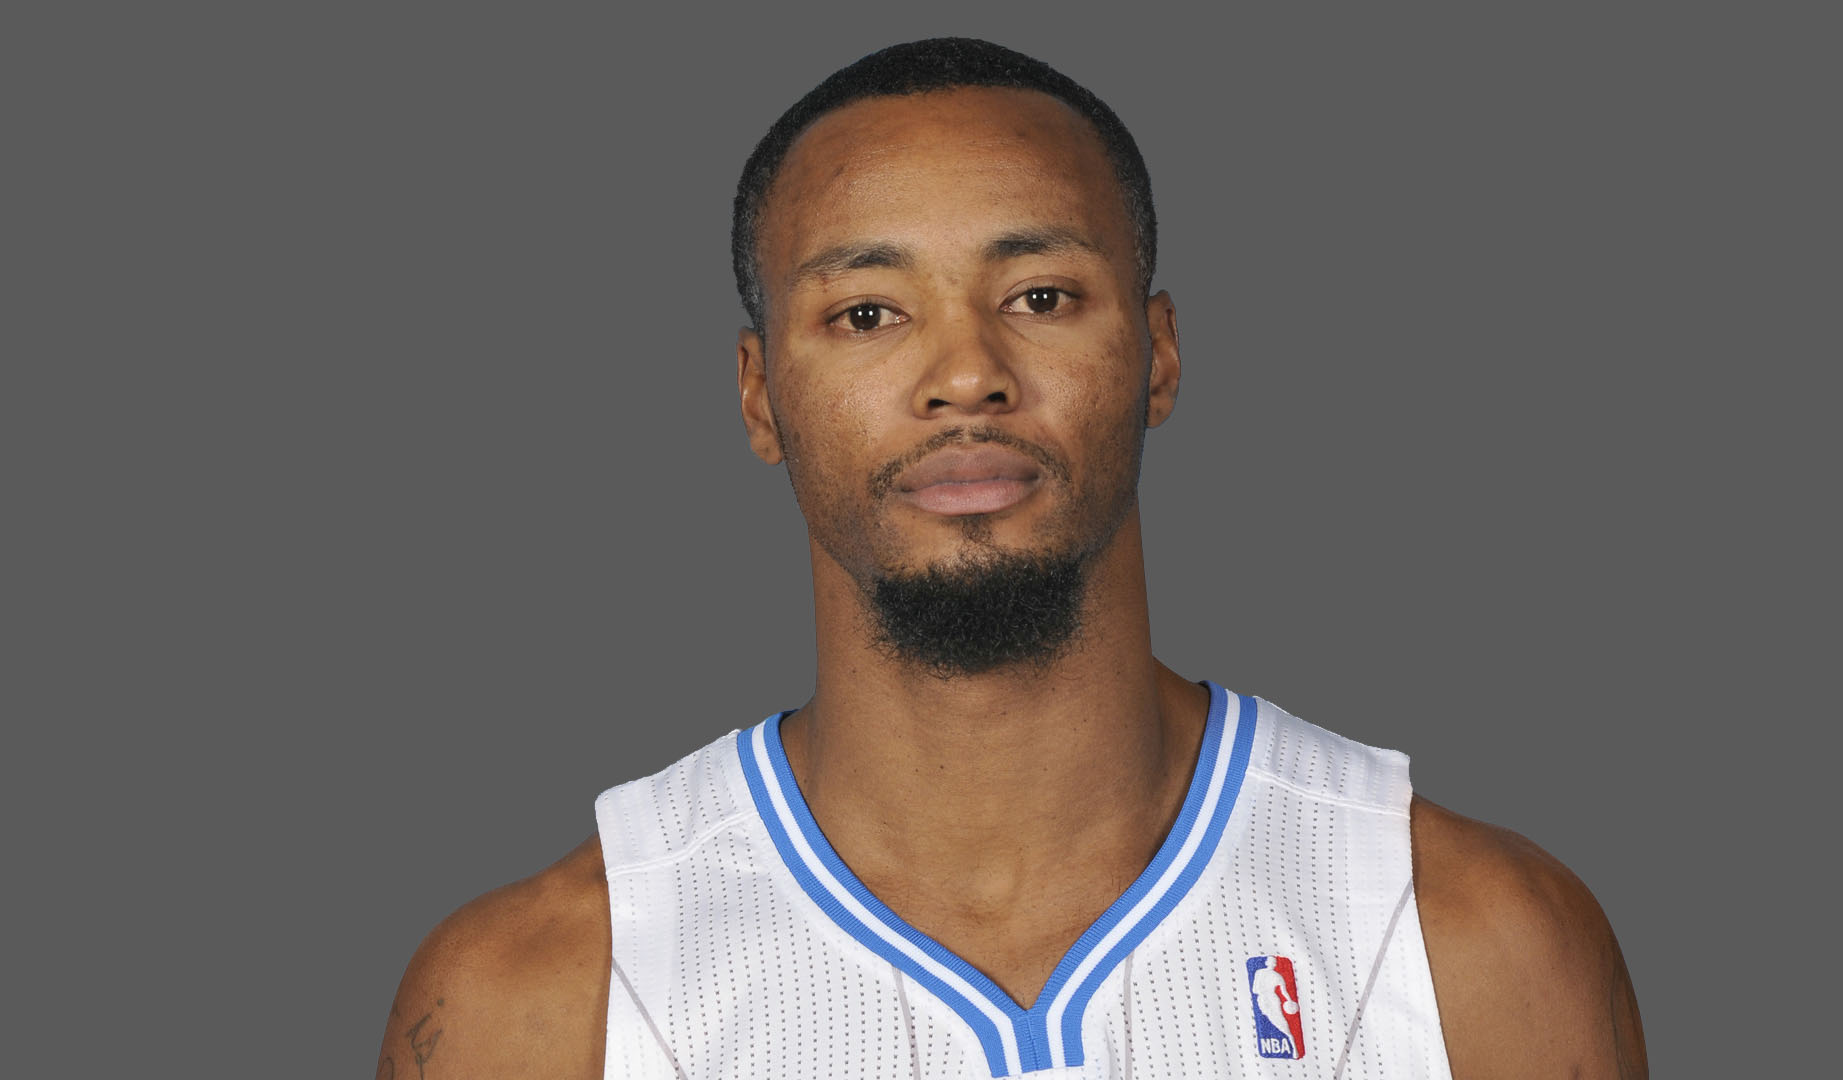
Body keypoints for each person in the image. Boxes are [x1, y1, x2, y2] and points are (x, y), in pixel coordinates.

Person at [377, 37, 1646, 1079]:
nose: (967, 374)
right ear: (760, 396)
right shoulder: (546, 1003)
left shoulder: (1464, 945)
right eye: (867, 314)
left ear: (1157, 353)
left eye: (1040, 294)